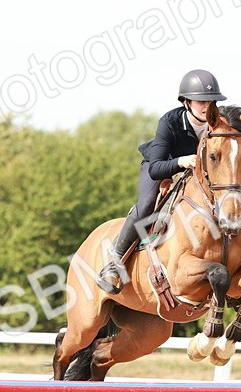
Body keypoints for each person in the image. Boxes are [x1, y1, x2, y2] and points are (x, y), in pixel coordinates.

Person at [95, 69, 227, 294]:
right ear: (186, 101)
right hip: (160, 167)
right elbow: (156, 168)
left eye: (211, 100)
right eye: (200, 101)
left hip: (194, 176)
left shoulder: (217, 123)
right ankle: (115, 262)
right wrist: (181, 161)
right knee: (147, 205)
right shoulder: (170, 122)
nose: (207, 105)